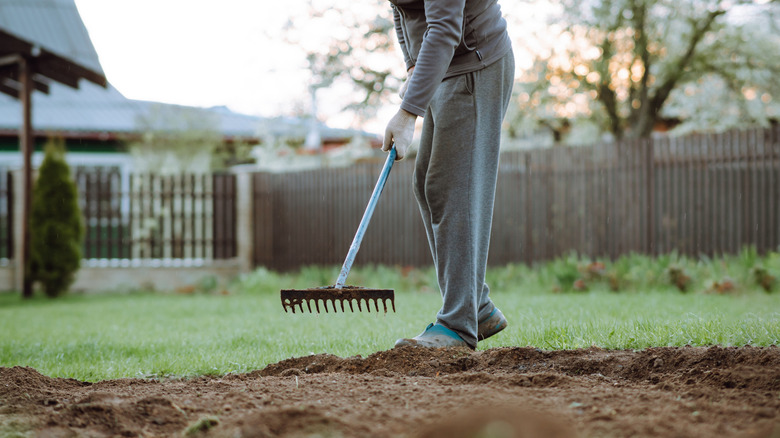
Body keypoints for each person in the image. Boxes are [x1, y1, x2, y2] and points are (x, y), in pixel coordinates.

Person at [383, 0, 515, 350]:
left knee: (453, 190)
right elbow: (400, 9)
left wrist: (407, 112)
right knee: (428, 185)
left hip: (475, 64)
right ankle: (478, 308)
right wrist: (412, 65)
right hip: (445, 69)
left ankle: (457, 324)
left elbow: (444, 28)